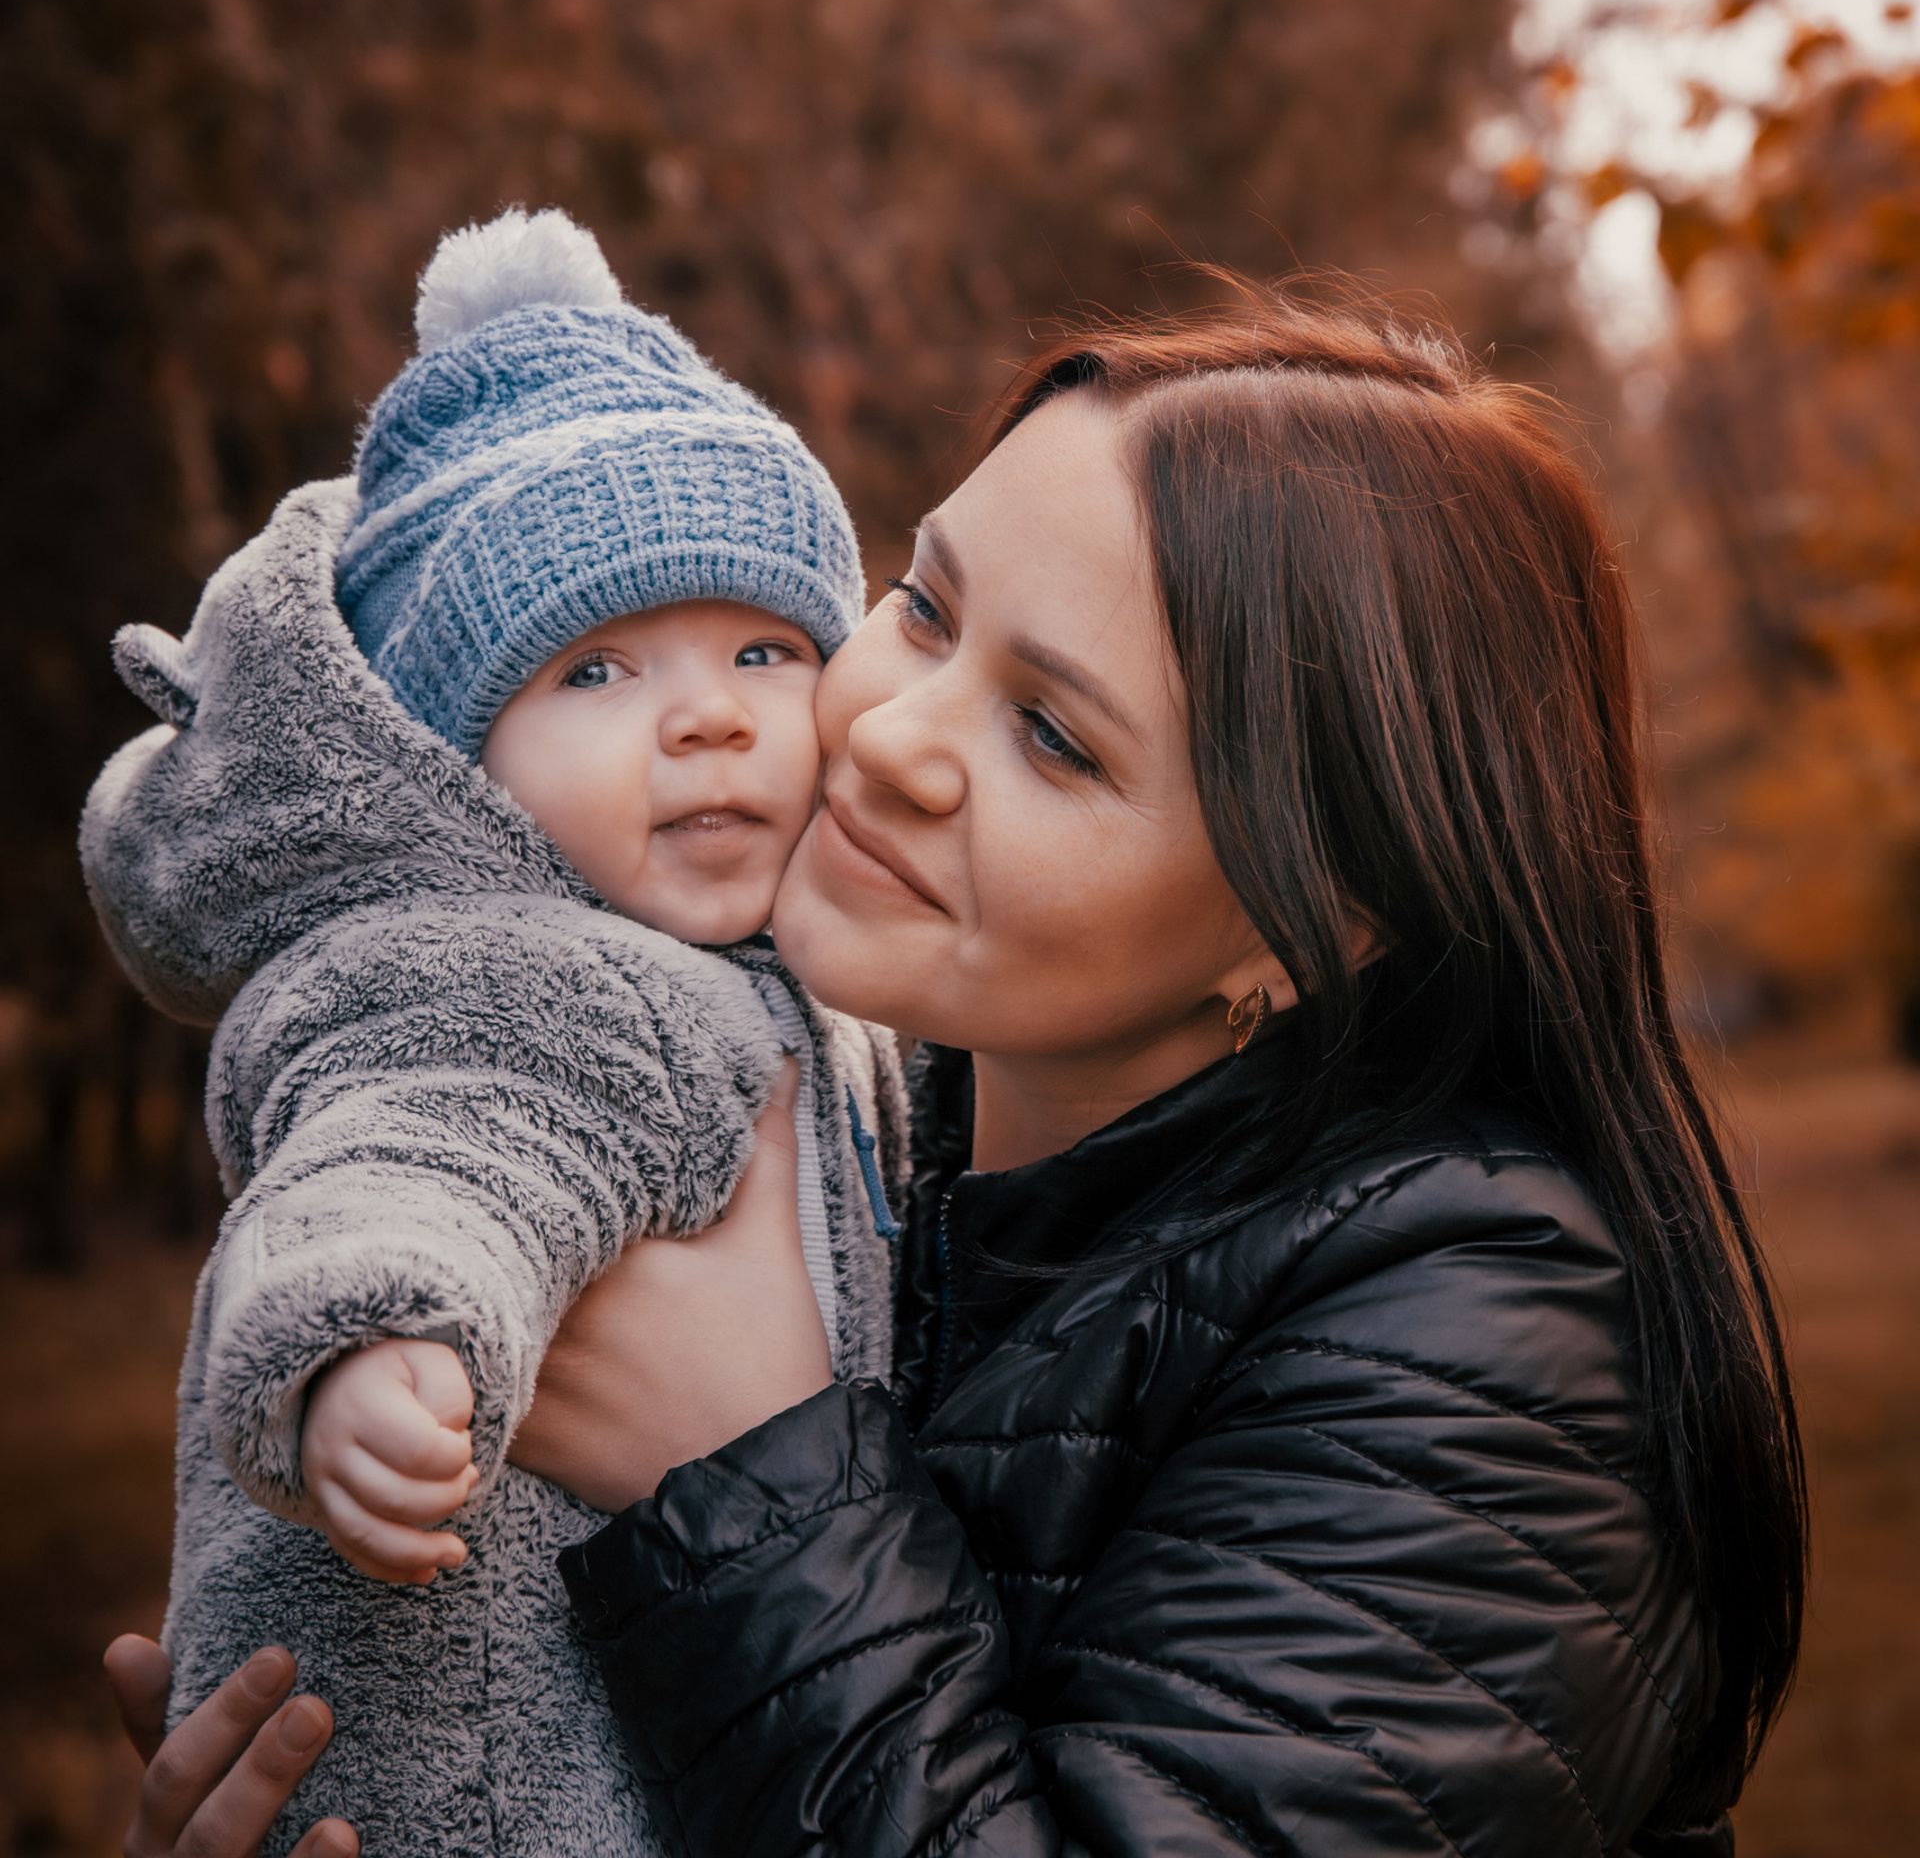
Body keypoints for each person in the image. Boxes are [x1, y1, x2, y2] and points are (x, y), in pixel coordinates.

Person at [109, 285, 1806, 1858]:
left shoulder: (1492, 1346)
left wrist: (757, 1477)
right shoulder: (852, 1111)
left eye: (1055, 736)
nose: (891, 734)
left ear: (1311, 932)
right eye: (922, 607)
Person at [82, 208, 905, 1858]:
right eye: (596, 670)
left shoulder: (799, 979)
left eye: (765, 647)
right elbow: (416, 1146)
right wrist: (375, 1340)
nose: (710, 712)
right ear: (457, 764)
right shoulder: (492, 966)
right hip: (477, 1779)